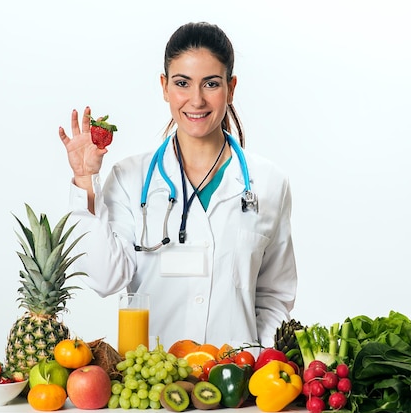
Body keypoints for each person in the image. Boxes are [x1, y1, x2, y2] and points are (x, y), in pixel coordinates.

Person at [59, 22, 297, 349]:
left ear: (231, 87)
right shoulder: (131, 178)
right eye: (182, 83)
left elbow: (274, 295)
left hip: (235, 385)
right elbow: (105, 279)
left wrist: (261, 364)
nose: (196, 100)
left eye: (211, 84)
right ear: (164, 86)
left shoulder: (269, 183)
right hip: (153, 384)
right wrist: (86, 181)